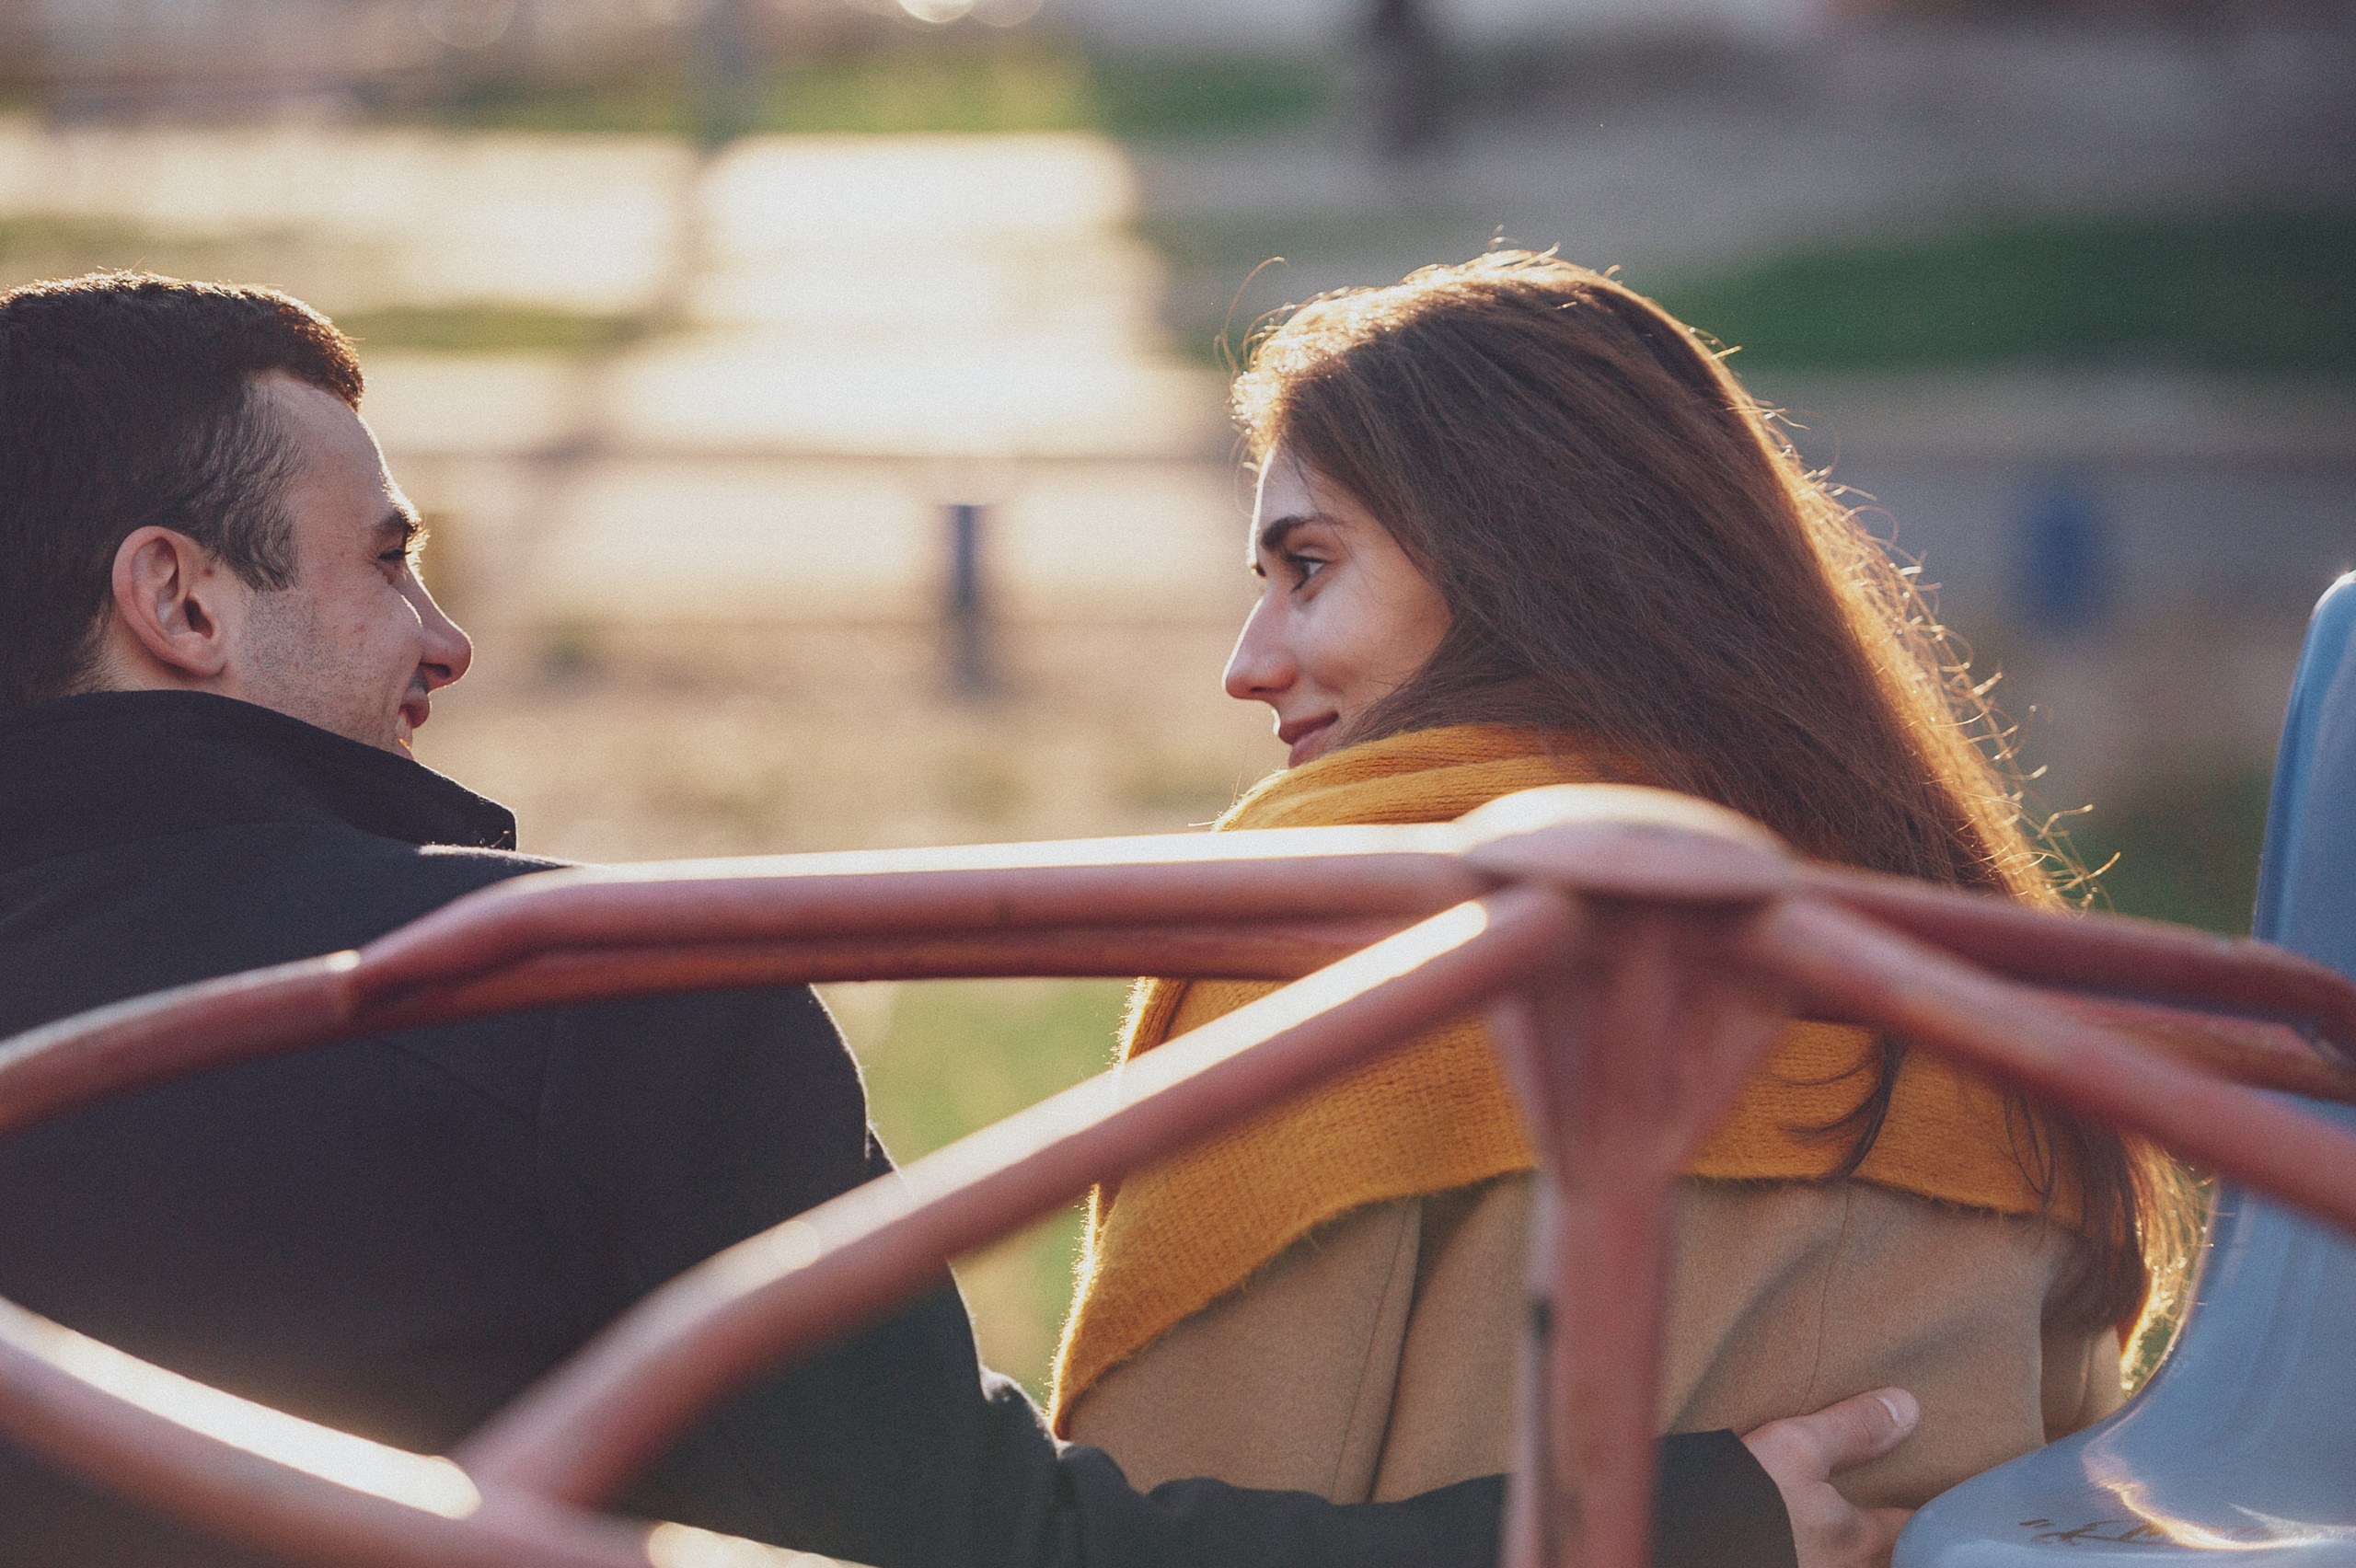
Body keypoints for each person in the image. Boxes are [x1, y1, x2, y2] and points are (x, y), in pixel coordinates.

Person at [0, 271, 1898, 1567]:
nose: (447, 641)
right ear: (179, 599)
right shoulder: (573, 995)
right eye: (389, 561)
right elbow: (981, 1556)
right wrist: (1670, 1525)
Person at [1052, 253, 2196, 1547]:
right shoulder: (1965, 959)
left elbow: (1147, 1523)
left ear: (1521, 562)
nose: (1247, 666)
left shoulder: (1339, 939)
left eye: (1306, 568)